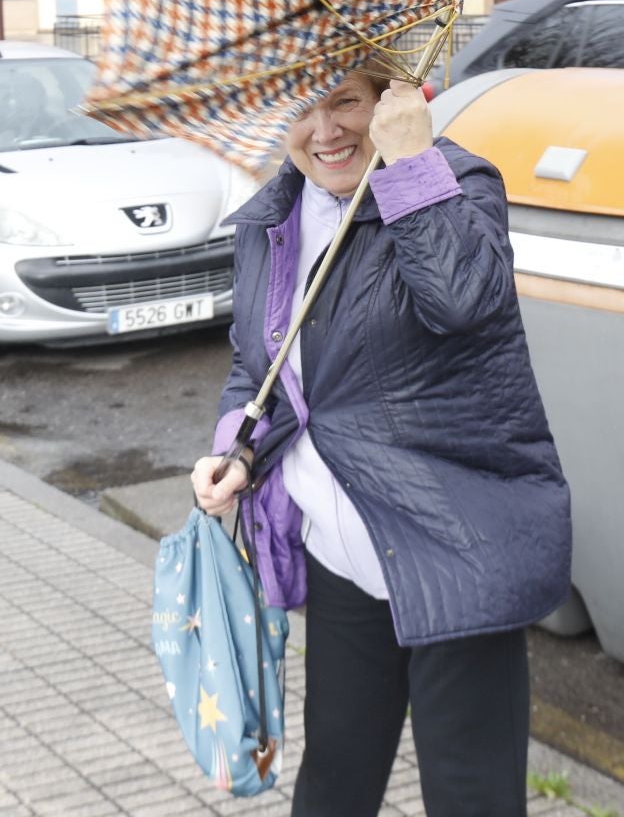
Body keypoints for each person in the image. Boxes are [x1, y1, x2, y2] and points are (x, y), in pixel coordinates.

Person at [190, 70, 571, 817]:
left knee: (470, 795)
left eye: (347, 103)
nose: (325, 130)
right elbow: (258, 366)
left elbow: (463, 301)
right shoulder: (275, 218)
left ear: (389, 101)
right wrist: (236, 450)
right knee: (334, 777)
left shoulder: (455, 180)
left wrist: (410, 166)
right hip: (344, 554)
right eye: (303, 107)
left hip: (451, 548)